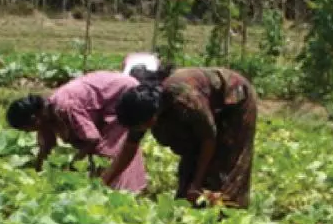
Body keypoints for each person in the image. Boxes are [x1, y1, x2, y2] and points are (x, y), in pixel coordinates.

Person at [104, 66, 258, 208]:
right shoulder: (142, 107)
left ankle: (227, 216)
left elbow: (208, 139)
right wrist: (103, 183)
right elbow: (129, 149)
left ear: (151, 118)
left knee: (225, 165)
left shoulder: (184, 99)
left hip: (234, 102)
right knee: (189, 170)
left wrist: (197, 183)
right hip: (206, 109)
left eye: (140, 127)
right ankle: (189, 208)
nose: (138, 131)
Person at [6, 71, 147, 192]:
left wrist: (74, 163)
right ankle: (111, 185)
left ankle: (120, 191)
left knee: (107, 152)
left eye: (26, 129)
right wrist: (37, 175)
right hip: (108, 93)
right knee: (93, 151)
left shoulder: (64, 107)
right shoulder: (45, 115)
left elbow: (92, 140)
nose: (28, 132)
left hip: (122, 94)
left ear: (33, 119)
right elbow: (46, 146)